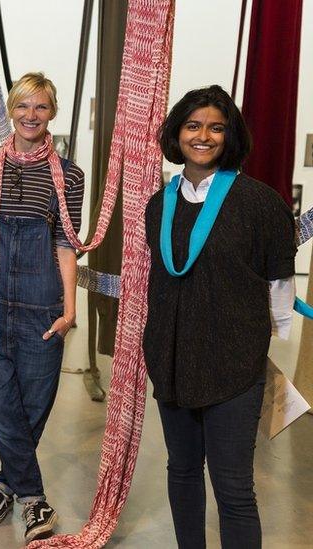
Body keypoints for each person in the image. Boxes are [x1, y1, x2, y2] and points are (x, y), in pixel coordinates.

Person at [143, 85, 295, 548]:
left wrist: (262, 348)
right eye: (193, 125)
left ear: (230, 136)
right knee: (183, 472)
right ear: (177, 133)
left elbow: (279, 287)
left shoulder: (260, 203)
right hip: (172, 361)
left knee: (232, 486)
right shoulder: (158, 205)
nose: (203, 135)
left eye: (216, 126)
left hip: (234, 366)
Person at [0, 73, 84, 542]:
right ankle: (34, 501)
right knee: (0, 404)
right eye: (23, 105)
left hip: (41, 308)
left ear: (52, 113)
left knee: (32, 405)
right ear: (11, 108)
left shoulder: (70, 176)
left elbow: (66, 245)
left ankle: (5, 486)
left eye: (41, 107)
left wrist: (68, 310)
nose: (31, 115)